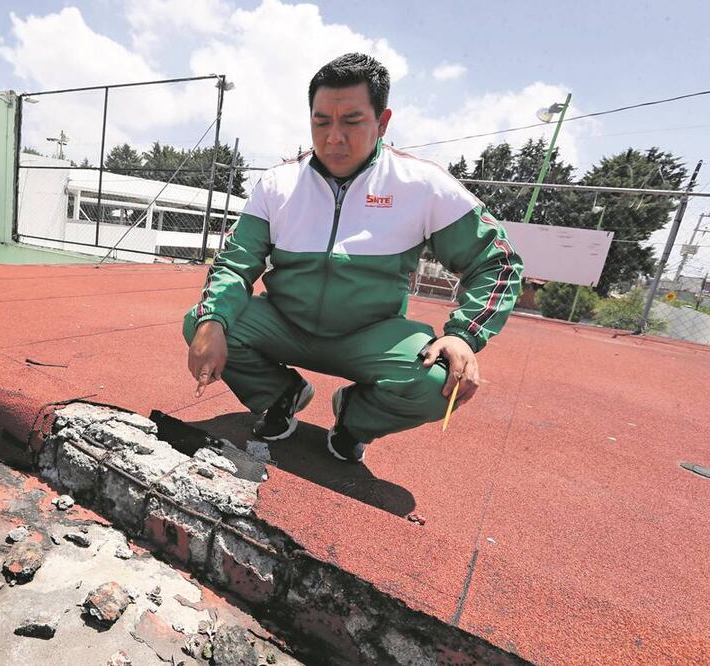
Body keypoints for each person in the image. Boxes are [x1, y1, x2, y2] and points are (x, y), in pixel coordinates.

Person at [183, 53, 523, 464]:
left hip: (370, 335)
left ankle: (353, 420)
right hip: (286, 322)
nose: (334, 137)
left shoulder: (423, 185)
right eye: (321, 121)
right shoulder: (277, 184)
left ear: (382, 122)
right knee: (204, 321)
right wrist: (213, 320)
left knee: (439, 382)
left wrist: (463, 334)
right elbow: (235, 264)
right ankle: (279, 396)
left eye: (352, 121)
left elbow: (498, 263)